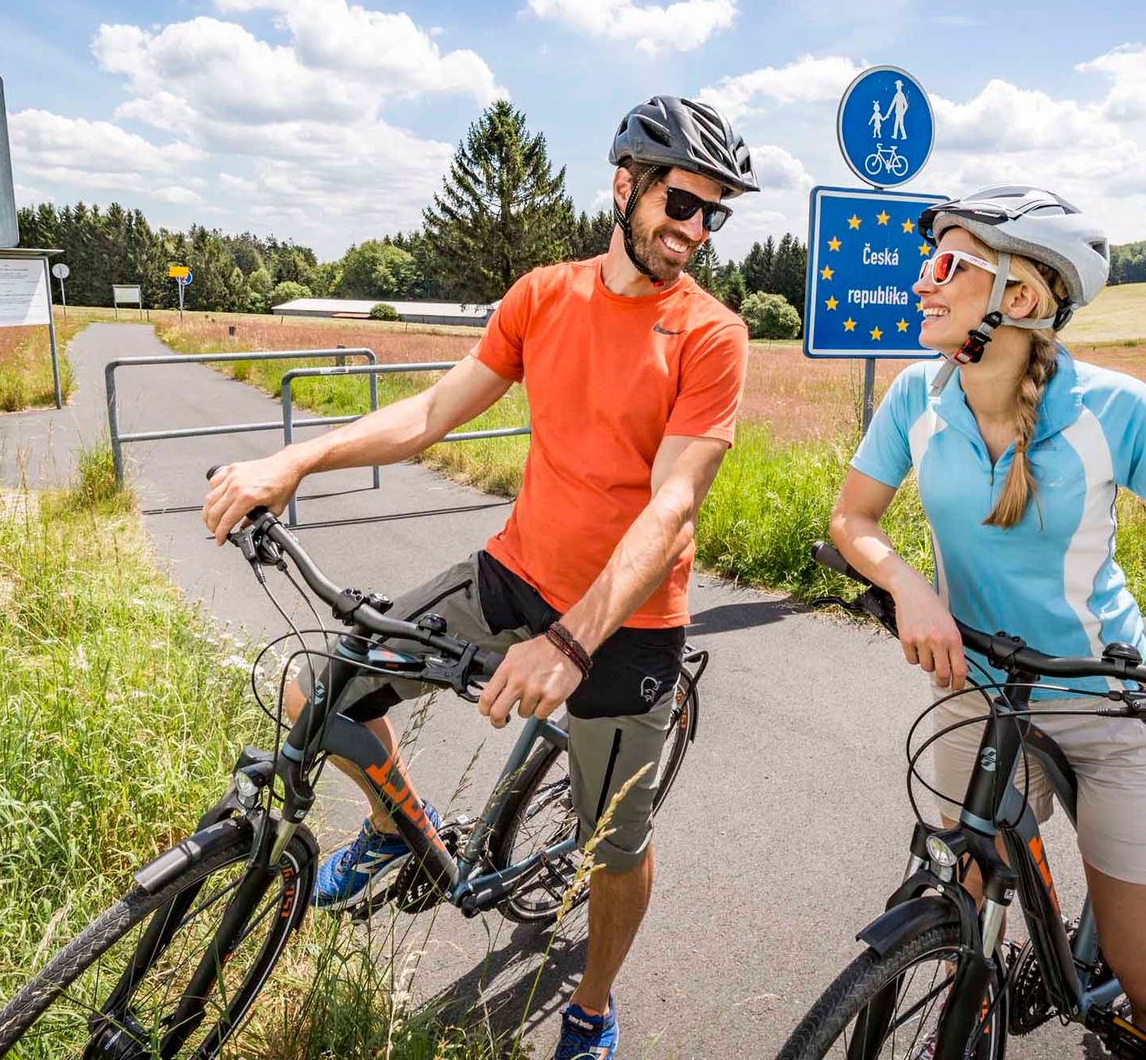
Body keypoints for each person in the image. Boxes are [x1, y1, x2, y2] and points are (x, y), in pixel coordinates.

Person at [203, 95, 760, 1060]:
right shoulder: (545, 294)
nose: (697, 231)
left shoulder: (712, 334)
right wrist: (291, 462)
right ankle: (398, 827)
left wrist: (573, 638)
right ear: (625, 185)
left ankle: (590, 1000)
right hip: (510, 579)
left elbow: (671, 508)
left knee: (612, 847)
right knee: (320, 684)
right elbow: (429, 416)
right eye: (682, 203)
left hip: (626, 628)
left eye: (715, 215)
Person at [826, 186, 1146, 1060]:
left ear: (1018, 299)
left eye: (946, 264)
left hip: (1108, 704)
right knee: (961, 915)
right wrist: (910, 587)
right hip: (975, 694)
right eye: (926, 261)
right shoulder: (918, 396)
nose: (920, 281)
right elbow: (853, 521)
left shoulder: (1117, 410)